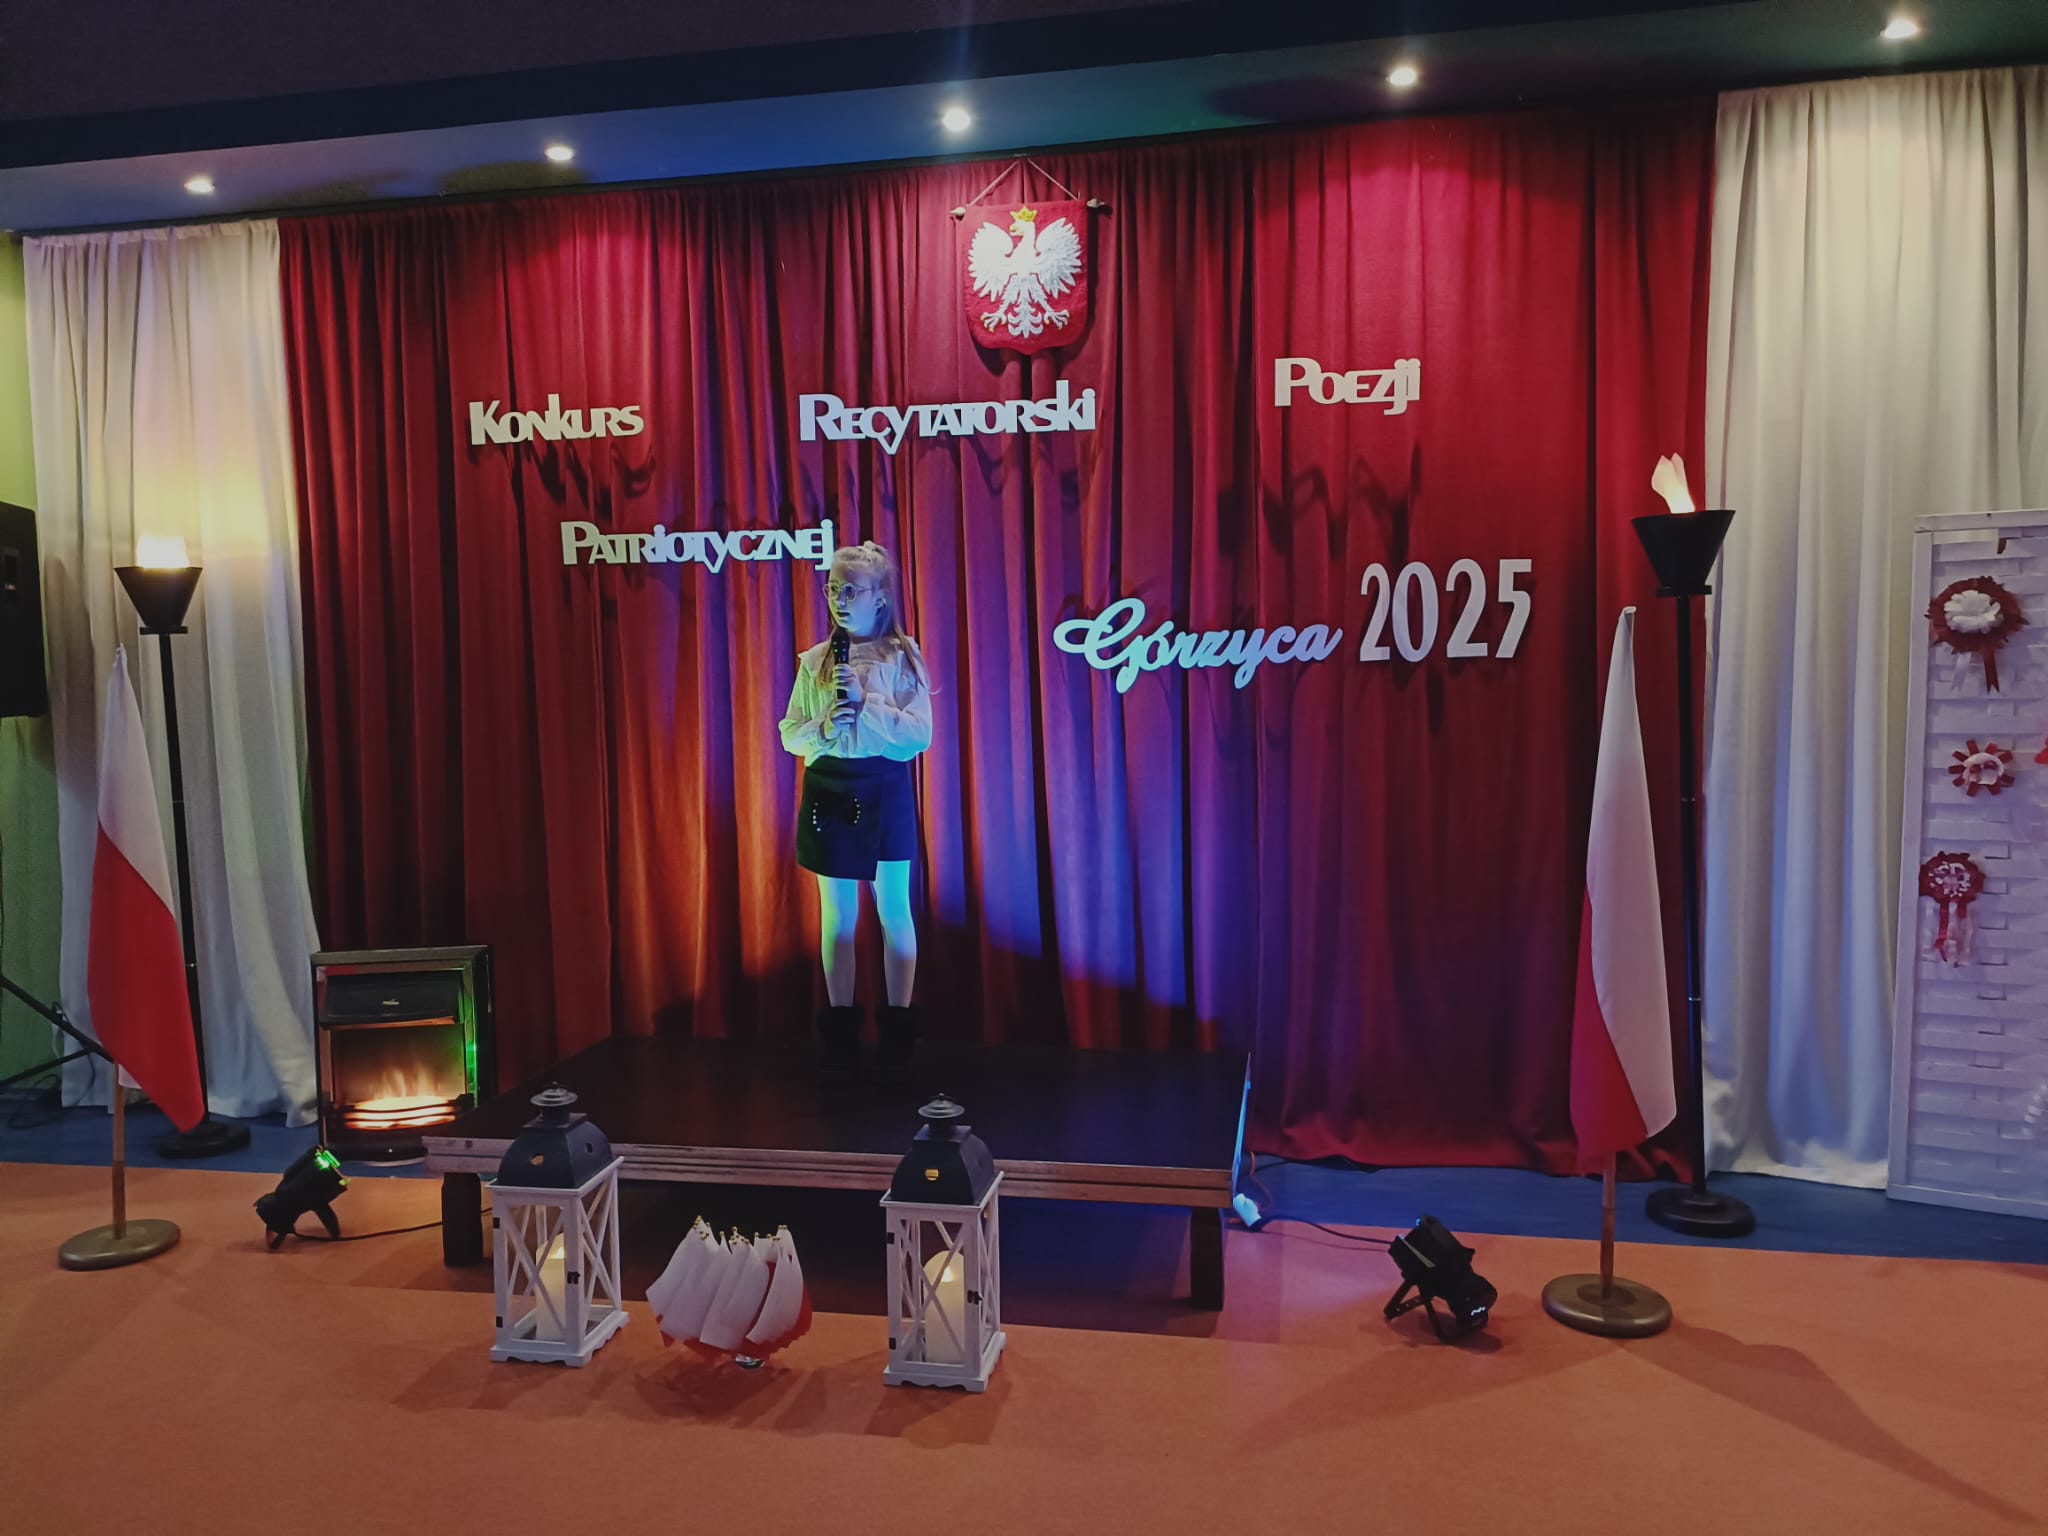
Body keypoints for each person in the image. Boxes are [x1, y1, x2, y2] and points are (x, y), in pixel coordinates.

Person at [778, 541, 933, 1077]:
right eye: (833, 589)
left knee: (893, 909)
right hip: (831, 786)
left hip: (884, 786)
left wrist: (871, 706)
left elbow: (920, 735)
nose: (840, 600)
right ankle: (841, 1036)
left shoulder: (901, 656)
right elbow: (790, 734)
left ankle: (897, 1035)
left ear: (880, 597)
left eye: (852, 590)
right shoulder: (816, 660)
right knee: (838, 916)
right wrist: (824, 727)